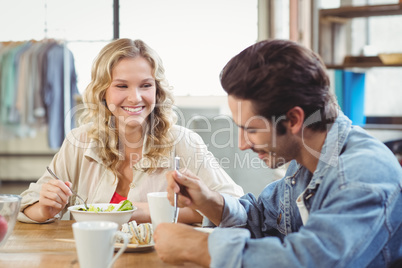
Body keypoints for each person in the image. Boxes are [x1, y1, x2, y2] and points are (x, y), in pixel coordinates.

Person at [153, 39, 402, 267]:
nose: (242, 144)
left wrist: (199, 247)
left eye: (250, 129)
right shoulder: (305, 158)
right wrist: (210, 201)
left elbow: (312, 259)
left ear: (293, 120)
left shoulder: (362, 174)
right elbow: (263, 220)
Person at [17, 38, 244, 224]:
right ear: (102, 92)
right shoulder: (80, 140)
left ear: (158, 90)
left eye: (146, 85)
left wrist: (147, 211)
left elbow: (235, 206)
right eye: (122, 86)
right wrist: (45, 209)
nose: (135, 98)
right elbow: (28, 205)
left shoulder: (184, 142)